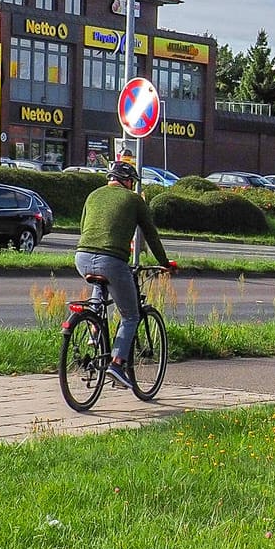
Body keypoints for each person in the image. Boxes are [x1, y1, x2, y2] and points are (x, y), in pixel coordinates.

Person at [73, 160, 173, 389]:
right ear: (127, 181)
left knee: (100, 288)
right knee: (130, 315)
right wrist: (165, 263)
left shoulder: (93, 195)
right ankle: (116, 365)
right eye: (132, 182)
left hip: (82, 257)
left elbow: (83, 227)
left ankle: (93, 325)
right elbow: (151, 235)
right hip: (112, 261)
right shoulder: (134, 200)